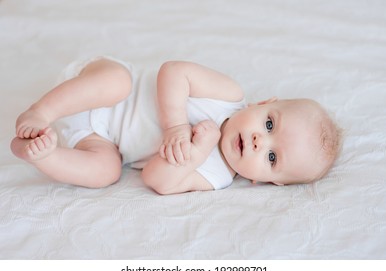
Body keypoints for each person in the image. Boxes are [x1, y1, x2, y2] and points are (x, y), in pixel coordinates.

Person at [10, 57, 341, 194]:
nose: (258, 141)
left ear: (267, 181)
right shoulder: (228, 95)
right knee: (118, 81)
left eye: (271, 158)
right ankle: (41, 112)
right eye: (269, 125)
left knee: (107, 171)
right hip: (99, 91)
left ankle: (42, 153)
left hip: (99, 138)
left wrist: (196, 152)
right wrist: (175, 126)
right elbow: (173, 71)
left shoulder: (217, 175)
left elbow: (158, 181)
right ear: (263, 104)